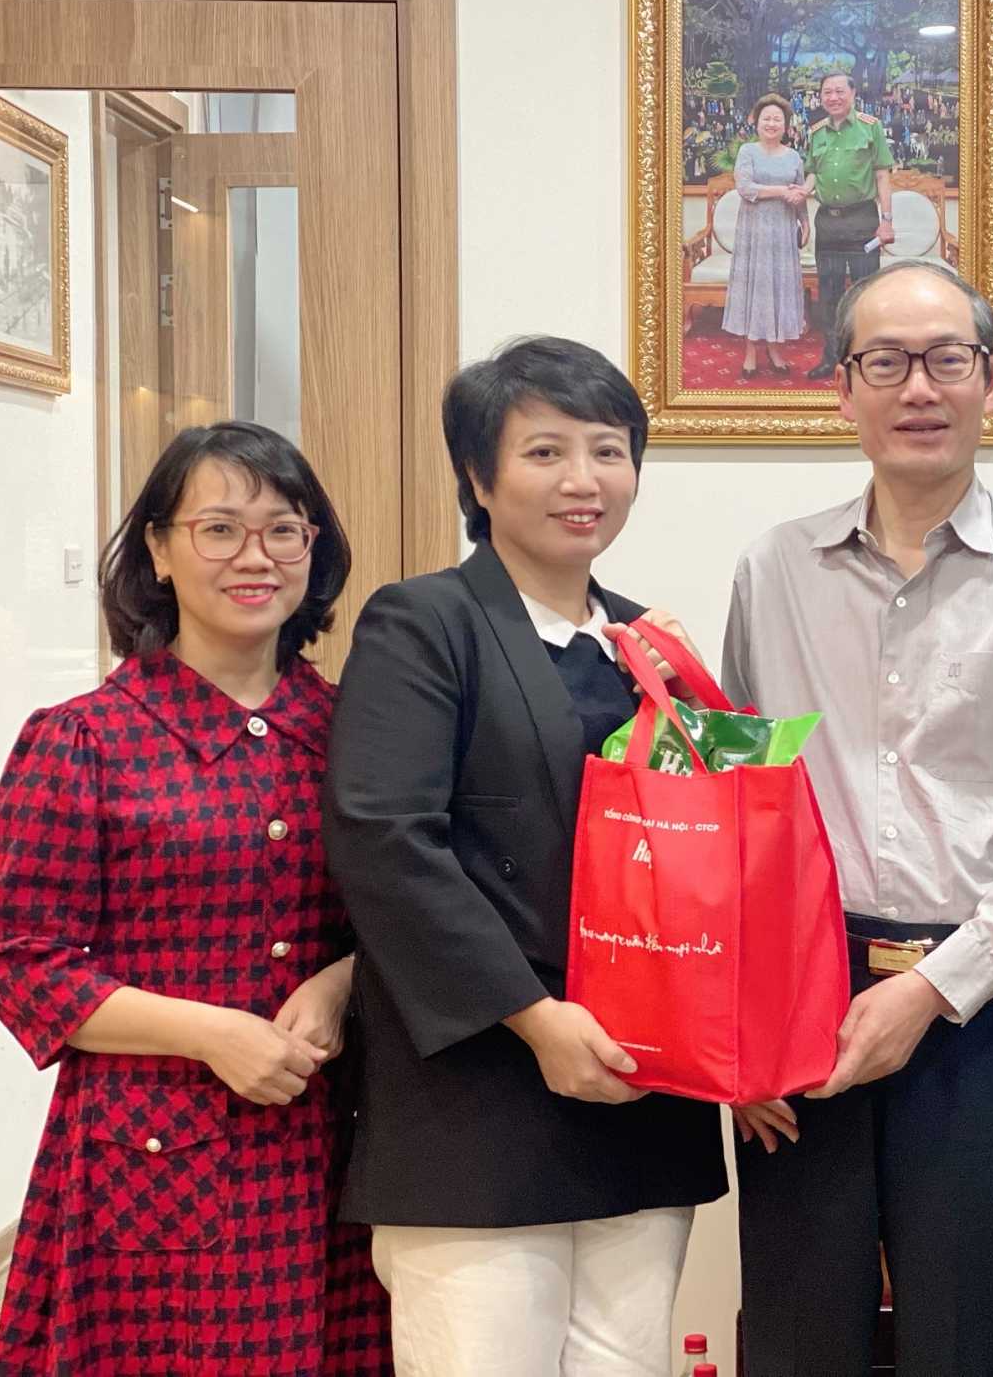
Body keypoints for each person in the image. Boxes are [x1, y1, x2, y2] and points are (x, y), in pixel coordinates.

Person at [722, 261, 993, 1377]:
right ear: (841, 389)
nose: (919, 386)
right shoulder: (774, 571)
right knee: (797, 1339)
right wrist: (741, 1026)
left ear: (988, 382)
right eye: (886, 361)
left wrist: (932, 988)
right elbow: (737, 809)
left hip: (987, 1006)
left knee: (969, 1343)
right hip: (802, 1002)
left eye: (948, 358)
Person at [323, 337, 727, 1375]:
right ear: (478, 475)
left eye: (608, 450)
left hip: (640, 1095)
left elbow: (697, 852)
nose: (582, 479)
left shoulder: (645, 643)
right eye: (545, 451)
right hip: (481, 1095)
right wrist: (537, 1019)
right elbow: (387, 840)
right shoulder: (425, 622)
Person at [0, 421, 388, 1374]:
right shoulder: (82, 740)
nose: (256, 557)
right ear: (158, 549)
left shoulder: (359, 733)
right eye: (220, 529)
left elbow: (416, 909)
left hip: (338, 1143)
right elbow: (16, 957)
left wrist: (342, 982)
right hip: (150, 1156)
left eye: (284, 530)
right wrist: (210, 1033)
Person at [800, 71, 896, 379]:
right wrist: (802, 190)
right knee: (828, 295)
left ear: (853, 94)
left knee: (866, 294)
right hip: (828, 223)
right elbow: (813, 172)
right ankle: (832, 358)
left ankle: (868, 359)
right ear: (821, 97)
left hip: (862, 220)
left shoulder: (871, 127)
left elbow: (882, 175)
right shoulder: (816, 132)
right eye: (827, 92)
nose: (833, 97)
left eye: (840, 91)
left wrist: (887, 221)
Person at [721, 93, 810, 382]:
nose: (771, 124)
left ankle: (774, 349)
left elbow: (799, 193)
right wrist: (781, 191)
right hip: (754, 232)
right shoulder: (748, 151)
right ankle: (750, 352)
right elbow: (745, 188)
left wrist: (805, 221)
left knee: (778, 288)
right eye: (766, 119)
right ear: (757, 123)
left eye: (777, 119)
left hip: (783, 232)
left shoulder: (794, 156)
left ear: (786, 125)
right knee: (755, 289)